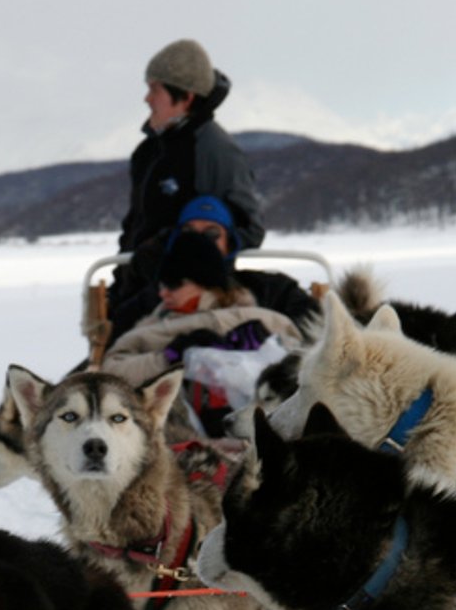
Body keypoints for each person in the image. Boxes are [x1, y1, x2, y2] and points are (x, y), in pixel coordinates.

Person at [107, 39, 266, 335]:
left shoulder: (215, 152)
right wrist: (120, 282)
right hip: (135, 292)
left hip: (187, 307)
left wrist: (183, 247)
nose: (147, 99)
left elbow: (248, 229)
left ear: (186, 97)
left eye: (155, 89)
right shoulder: (148, 152)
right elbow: (134, 228)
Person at [102, 230, 302, 436]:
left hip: (258, 433)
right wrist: (168, 357)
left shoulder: (259, 320)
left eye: (174, 283)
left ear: (204, 282)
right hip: (181, 441)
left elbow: (299, 362)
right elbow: (111, 372)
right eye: (161, 284)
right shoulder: (153, 328)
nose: (163, 292)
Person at [109, 194, 313, 338]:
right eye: (189, 232)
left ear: (229, 242)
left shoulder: (270, 288)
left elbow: (312, 328)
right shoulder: (159, 293)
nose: (200, 241)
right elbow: (115, 344)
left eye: (211, 234)